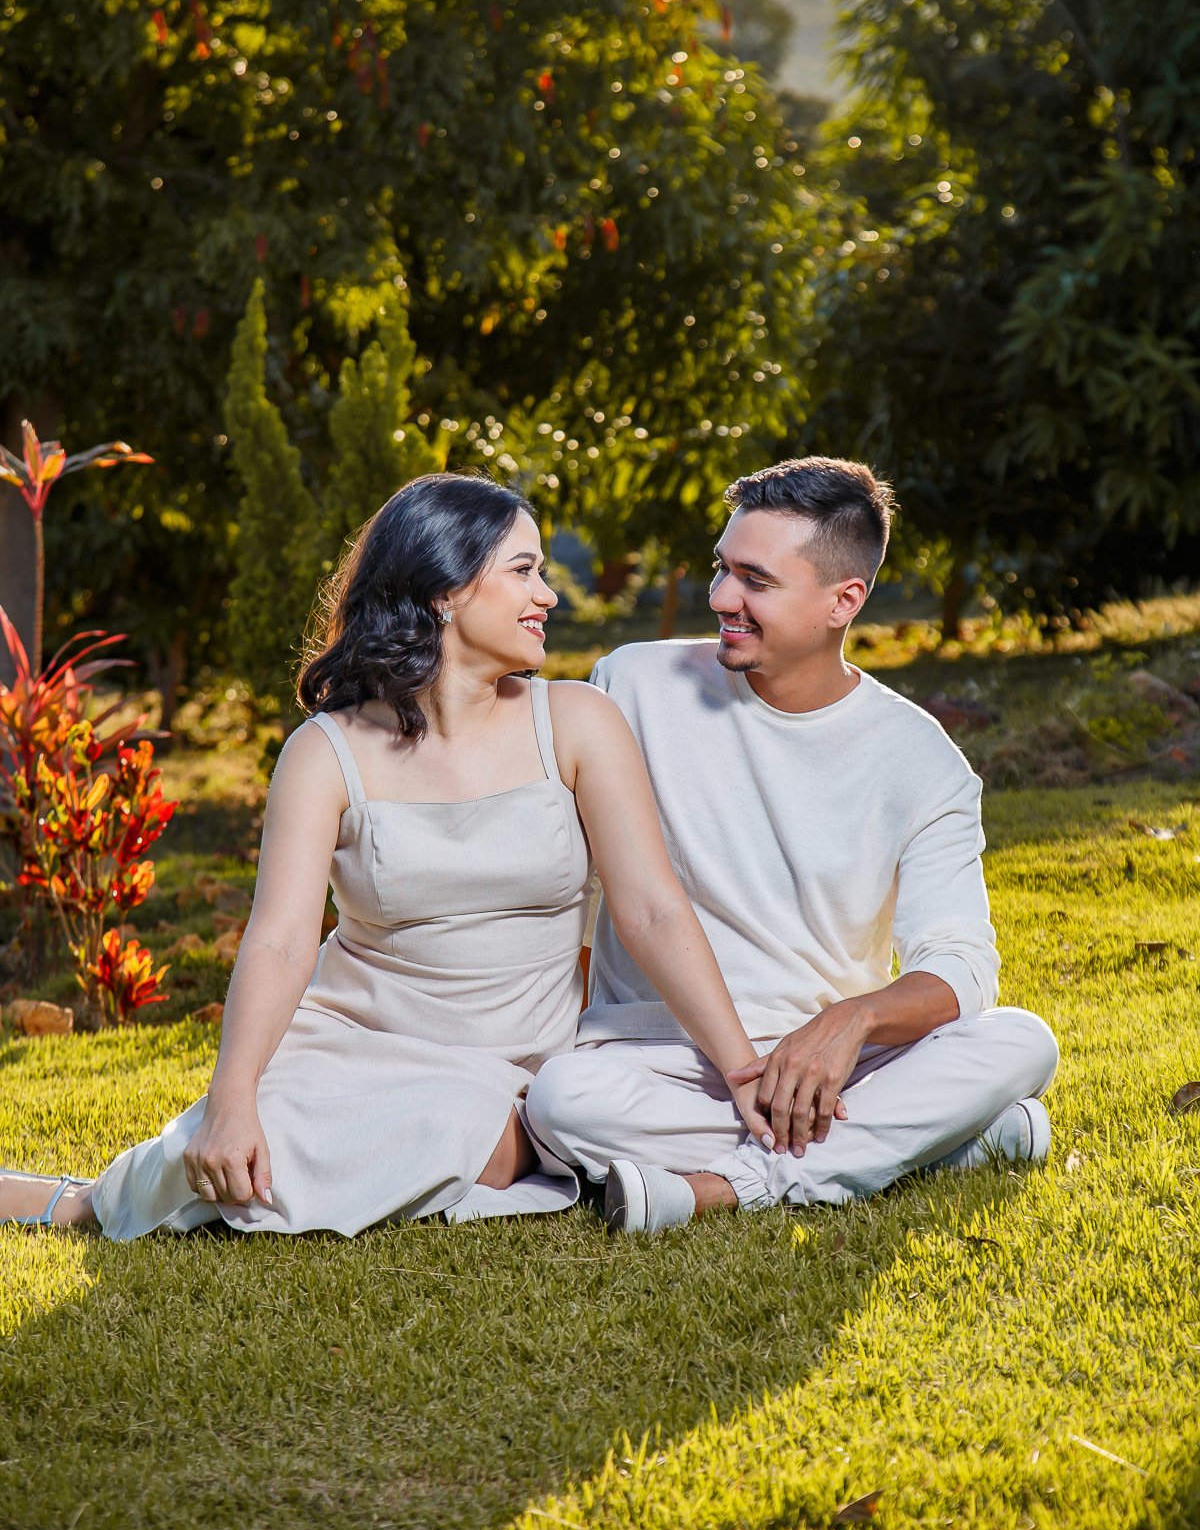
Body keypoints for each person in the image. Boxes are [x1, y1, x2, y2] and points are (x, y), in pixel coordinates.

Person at [0, 473, 770, 1237]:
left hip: (514, 1075)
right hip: (350, 1044)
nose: (547, 595)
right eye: (523, 571)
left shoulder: (577, 721)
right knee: (238, 1150)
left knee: (448, 1127)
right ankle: (81, 1202)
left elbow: (652, 911)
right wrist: (234, 1098)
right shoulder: (325, 752)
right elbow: (280, 941)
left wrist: (743, 1073)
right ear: (445, 592)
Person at [525, 457, 1059, 1232]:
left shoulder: (922, 760)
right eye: (722, 568)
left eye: (755, 581)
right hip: (663, 1054)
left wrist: (853, 1021)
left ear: (844, 600)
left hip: (839, 1068)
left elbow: (961, 965)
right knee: (563, 1101)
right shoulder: (633, 686)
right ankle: (924, 1145)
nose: (721, 597)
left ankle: (731, 1185)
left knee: (1021, 1041)